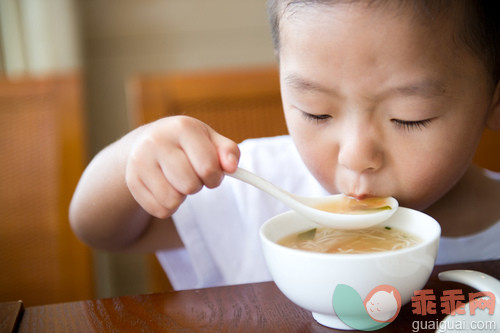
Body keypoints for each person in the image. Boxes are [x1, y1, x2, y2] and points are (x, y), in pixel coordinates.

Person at [70, 0, 500, 290]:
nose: (355, 156)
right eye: (316, 111)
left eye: (409, 117)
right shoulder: (254, 186)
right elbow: (100, 231)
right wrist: (138, 156)